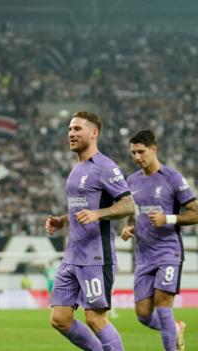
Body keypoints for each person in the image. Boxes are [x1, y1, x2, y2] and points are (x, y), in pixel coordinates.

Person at [45, 111, 134, 351]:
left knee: (95, 318)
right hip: (72, 256)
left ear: (94, 133)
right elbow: (82, 208)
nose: (71, 134)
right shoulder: (77, 169)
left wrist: (98, 214)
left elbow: (128, 204)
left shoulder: (105, 166)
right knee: (60, 319)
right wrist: (64, 220)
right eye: (70, 129)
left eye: (77, 129)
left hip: (96, 258)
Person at [120, 130, 196, 351]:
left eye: (141, 152)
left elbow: (195, 212)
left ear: (154, 150)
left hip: (167, 253)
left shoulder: (172, 178)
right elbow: (130, 208)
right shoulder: (132, 180)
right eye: (133, 153)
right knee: (143, 315)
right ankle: (175, 327)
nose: (137, 157)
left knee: (163, 306)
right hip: (143, 256)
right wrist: (128, 226)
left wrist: (168, 218)